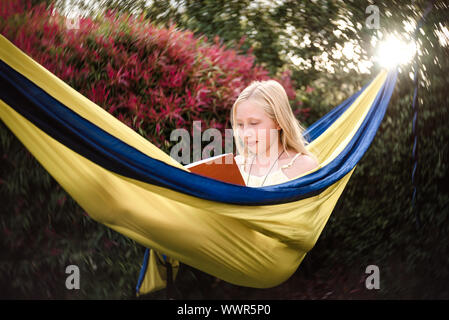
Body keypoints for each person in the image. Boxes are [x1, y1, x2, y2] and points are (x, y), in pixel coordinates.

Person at [231, 79, 319, 187]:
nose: (245, 134)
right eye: (240, 124)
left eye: (254, 123)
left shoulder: (303, 166)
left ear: (278, 122)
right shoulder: (236, 167)